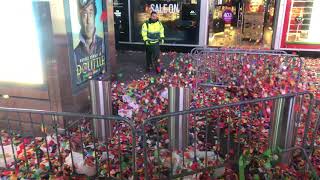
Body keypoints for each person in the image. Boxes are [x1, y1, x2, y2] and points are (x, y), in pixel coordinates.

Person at [74, 0, 104, 82]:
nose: (88, 21)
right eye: (84, 15)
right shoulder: (75, 54)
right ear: (79, 19)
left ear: (95, 16)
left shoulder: (103, 44)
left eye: (91, 13)